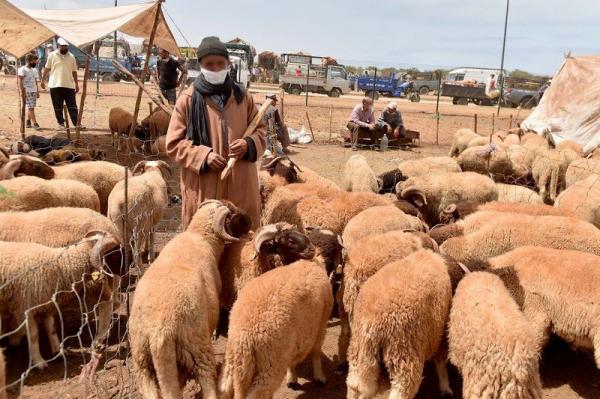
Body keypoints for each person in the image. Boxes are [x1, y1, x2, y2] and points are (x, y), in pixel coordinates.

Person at [166, 36, 265, 229]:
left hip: (241, 186)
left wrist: (248, 144)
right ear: (201, 65)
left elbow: (260, 132)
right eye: (209, 64)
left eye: (220, 63)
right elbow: (173, 143)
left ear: (228, 63)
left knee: (242, 242)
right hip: (205, 187)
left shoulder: (243, 97)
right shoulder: (188, 100)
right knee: (205, 241)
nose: (216, 68)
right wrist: (203, 156)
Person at [41, 37, 80, 130]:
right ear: (58, 46)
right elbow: (47, 68)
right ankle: (61, 123)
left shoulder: (72, 57)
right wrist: (42, 80)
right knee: (57, 106)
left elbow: (74, 71)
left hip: (69, 85)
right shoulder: (51, 55)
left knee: (72, 106)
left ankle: (77, 124)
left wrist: (77, 84)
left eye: (65, 46)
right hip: (55, 85)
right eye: (62, 46)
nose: (64, 48)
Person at [18, 54, 41, 130]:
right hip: (26, 91)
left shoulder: (34, 70)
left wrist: (37, 91)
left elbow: (35, 81)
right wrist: (22, 91)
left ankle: (28, 121)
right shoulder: (22, 69)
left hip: (33, 90)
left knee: (31, 107)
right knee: (31, 107)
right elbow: (20, 81)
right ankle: (35, 123)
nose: (36, 62)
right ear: (29, 61)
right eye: (34, 61)